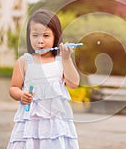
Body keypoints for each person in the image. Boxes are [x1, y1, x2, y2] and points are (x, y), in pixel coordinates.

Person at [7, 9, 80, 148]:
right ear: (29, 36)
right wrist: (21, 95)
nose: (40, 41)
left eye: (46, 35)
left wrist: (66, 58)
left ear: (56, 37)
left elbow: (74, 83)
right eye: (35, 35)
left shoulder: (60, 61)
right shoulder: (24, 61)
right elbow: (13, 88)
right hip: (30, 122)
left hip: (55, 123)